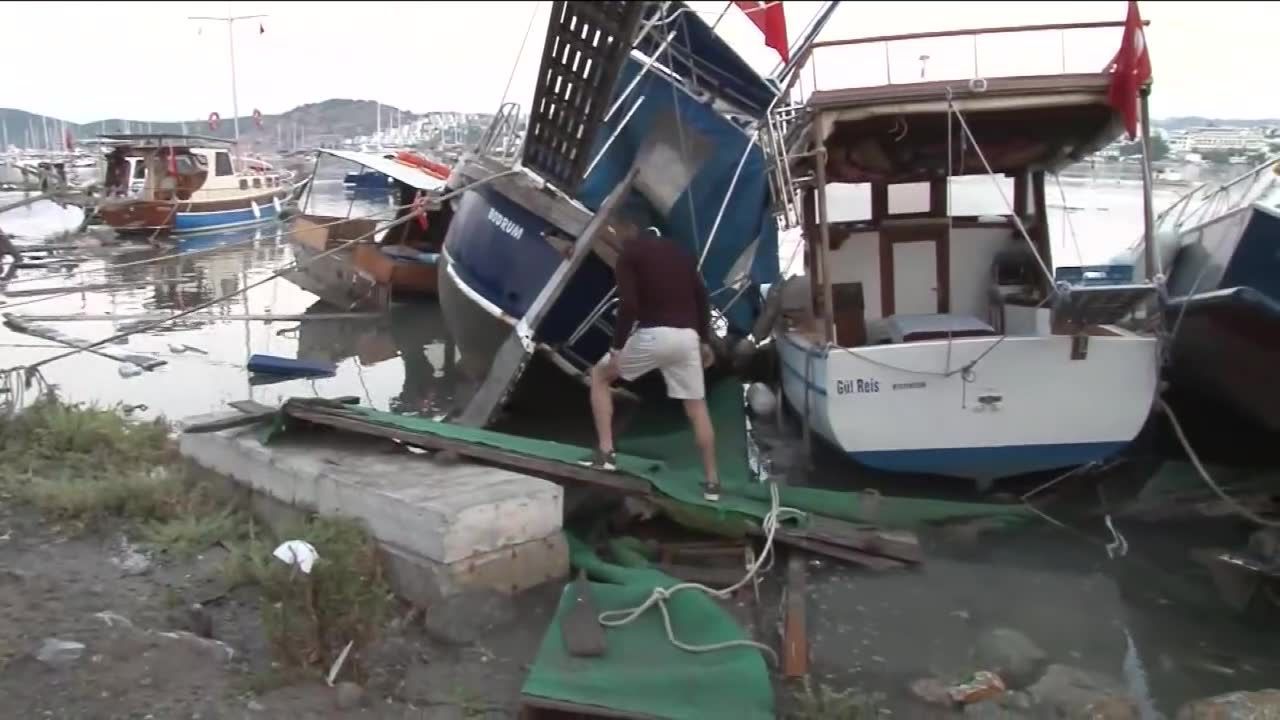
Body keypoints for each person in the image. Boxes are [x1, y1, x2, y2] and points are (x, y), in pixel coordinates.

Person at [588, 226, 720, 501]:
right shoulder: (682, 254)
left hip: (654, 335)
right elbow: (702, 297)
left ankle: (606, 453)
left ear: (626, 230)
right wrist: (705, 341)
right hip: (688, 337)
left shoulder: (629, 254)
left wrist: (617, 346)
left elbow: (629, 306)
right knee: (697, 407)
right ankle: (712, 483)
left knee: (600, 377)